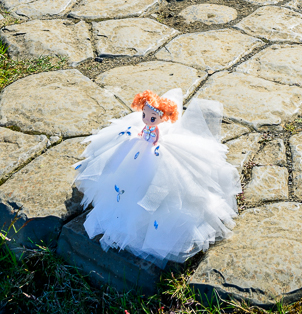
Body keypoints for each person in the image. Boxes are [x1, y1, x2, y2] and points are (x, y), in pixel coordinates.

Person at [71, 89, 241, 266]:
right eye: (144, 115)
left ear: (161, 118)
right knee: (126, 176)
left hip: (153, 148)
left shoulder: (157, 131)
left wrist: (152, 141)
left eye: (152, 118)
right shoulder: (146, 125)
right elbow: (146, 130)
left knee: (158, 182)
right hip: (141, 147)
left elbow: (155, 137)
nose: (146, 119)